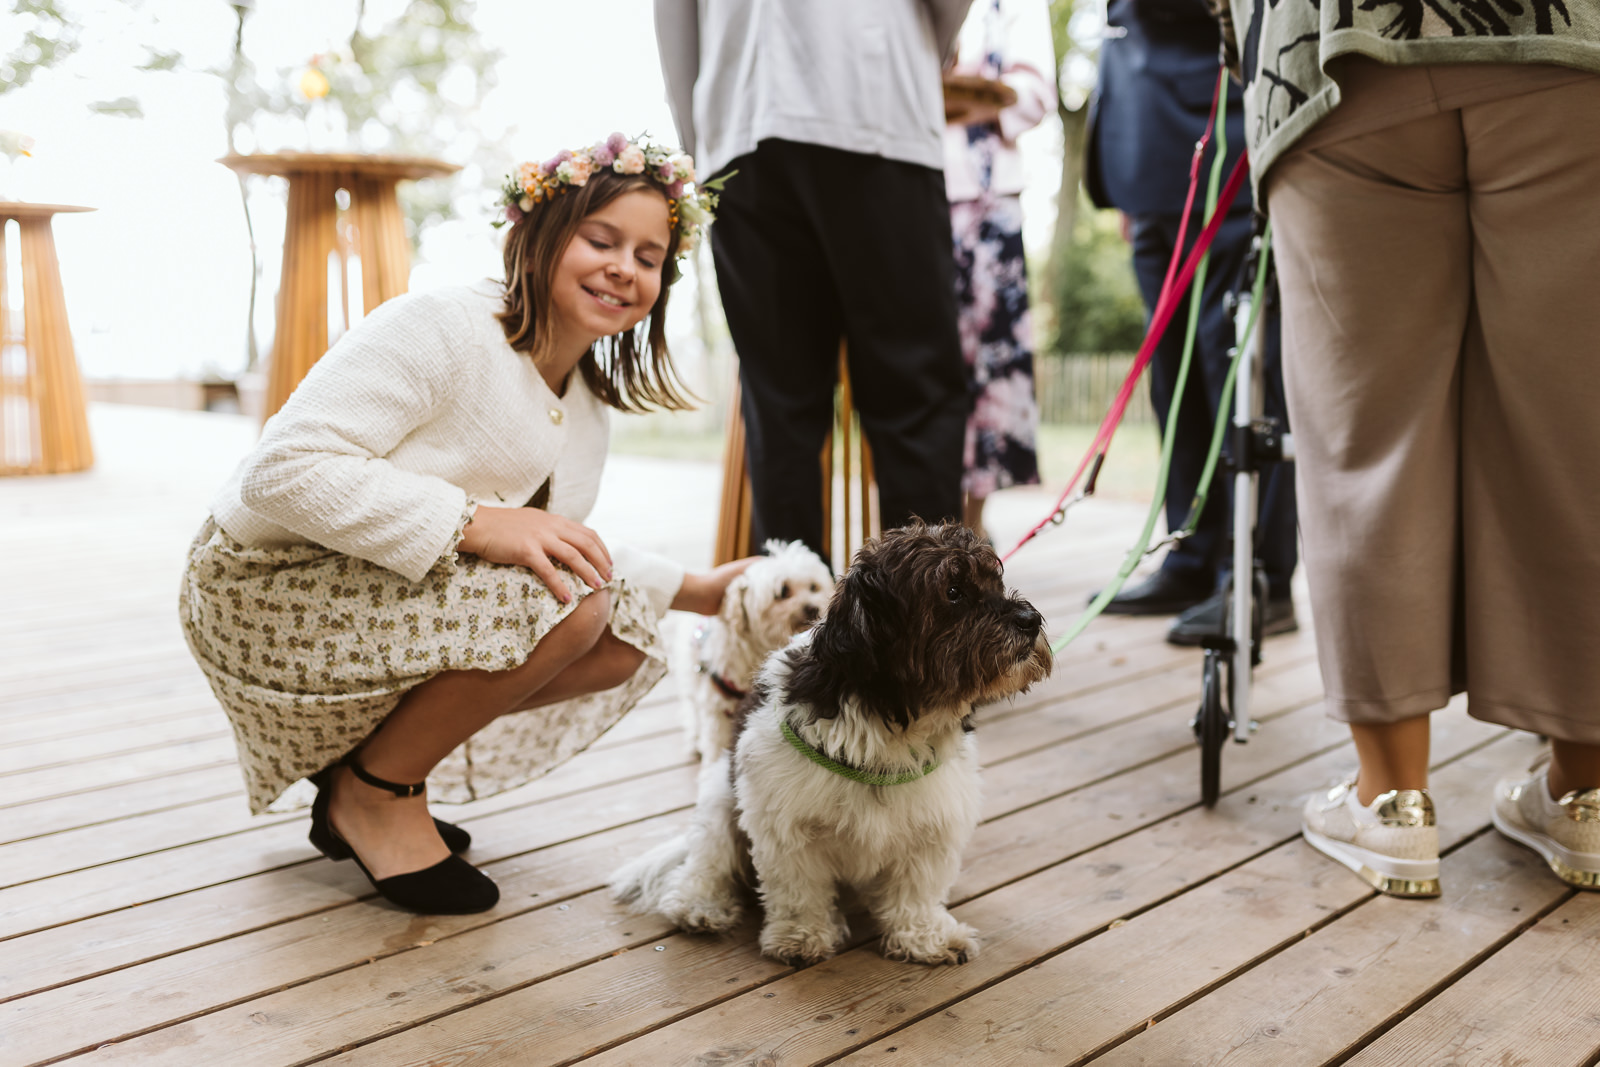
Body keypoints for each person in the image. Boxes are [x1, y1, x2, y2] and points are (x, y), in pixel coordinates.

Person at [179, 134, 752, 915]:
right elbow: (280, 470)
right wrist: (475, 521)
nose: (626, 267)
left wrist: (697, 588)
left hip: (366, 586)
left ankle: (359, 770)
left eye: (650, 256)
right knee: (566, 606)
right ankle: (377, 792)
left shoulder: (584, 407)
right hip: (262, 587)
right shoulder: (441, 325)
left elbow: (551, 545)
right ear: (539, 235)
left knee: (619, 633)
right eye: (602, 239)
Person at [1209, 1, 1600, 895]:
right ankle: (1588, 790)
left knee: (1364, 436)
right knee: (1583, 431)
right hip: (1576, 49)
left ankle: (1391, 803)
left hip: (1336, 59)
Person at [653, 0, 975, 562]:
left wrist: (700, 138)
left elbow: (674, 16)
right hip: (876, 104)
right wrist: (931, 51)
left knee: (780, 405)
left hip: (739, 126)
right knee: (913, 395)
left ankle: (791, 635)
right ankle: (933, 630)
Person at [1084, 0, 1299, 646]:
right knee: (1171, 375)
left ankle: (1258, 570)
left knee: (1239, 366)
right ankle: (1193, 550)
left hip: (1222, 124)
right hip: (1146, 144)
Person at [943, 0, 1056, 541]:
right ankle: (924, 523)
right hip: (912, 190)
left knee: (990, 368)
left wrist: (975, 90)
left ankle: (973, 525)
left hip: (991, 205)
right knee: (928, 365)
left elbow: (1037, 95)